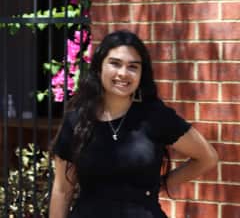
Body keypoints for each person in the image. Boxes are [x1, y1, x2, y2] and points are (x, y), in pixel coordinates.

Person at [49, 30, 218, 218]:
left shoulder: (154, 117)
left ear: (140, 74)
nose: (123, 73)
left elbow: (207, 157)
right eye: (115, 63)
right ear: (99, 68)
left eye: (133, 67)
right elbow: (62, 191)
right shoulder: (77, 121)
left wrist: (159, 186)